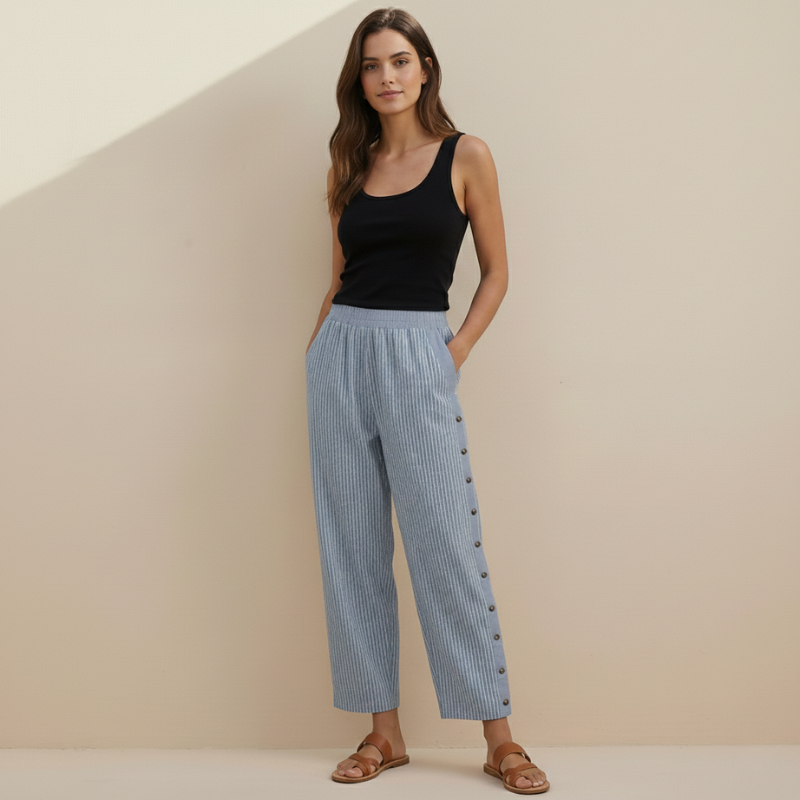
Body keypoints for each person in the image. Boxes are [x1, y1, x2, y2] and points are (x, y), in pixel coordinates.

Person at [304, 7, 549, 794]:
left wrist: (455, 352)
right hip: (340, 352)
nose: (387, 77)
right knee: (352, 548)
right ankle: (383, 734)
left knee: (447, 542)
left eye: (400, 61)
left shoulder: (466, 154)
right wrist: (318, 354)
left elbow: (498, 272)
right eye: (372, 65)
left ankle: (500, 739)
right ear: (360, 78)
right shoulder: (350, 161)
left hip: (420, 352)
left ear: (425, 68)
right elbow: (338, 277)